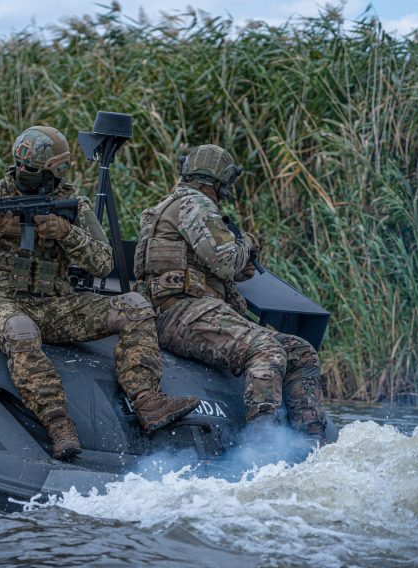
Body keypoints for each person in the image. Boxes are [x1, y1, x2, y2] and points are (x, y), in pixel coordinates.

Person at [0, 125, 200, 460]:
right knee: (21, 332)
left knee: (136, 306)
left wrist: (66, 233)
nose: (26, 175)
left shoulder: (72, 203)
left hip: (55, 305)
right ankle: (58, 423)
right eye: (24, 168)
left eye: (37, 171)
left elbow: (103, 263)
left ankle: (147, 399)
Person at [133, 144, 328, 441]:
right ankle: (264, 440)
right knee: (266, 347)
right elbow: (225, 260)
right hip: (180, 313)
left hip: (191, 312)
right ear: (219, 181)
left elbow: (210, 265)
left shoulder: (171, 208)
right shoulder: (196, 205)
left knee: (301, 352)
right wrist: (246, 243)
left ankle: (312, 440)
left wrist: (241, 264)